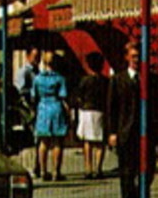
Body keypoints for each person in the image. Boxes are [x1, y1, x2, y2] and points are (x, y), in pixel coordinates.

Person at [106, 39, 158, 198]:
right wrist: (112, 133)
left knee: (147, 173)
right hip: (126, 134)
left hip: (147, 134)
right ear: (127, 58)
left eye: (139, 56)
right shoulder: (118, 80)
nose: (136, 60)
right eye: (133, 56)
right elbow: (112, 109)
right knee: (127, 173)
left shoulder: (152, 79)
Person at [31, 52, 71, 180]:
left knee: (43, 141)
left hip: (43, 107)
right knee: (57, 141)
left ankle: (43, 170)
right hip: (56, 106)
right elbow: (63, 95)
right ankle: (56, 171)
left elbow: (33, 95)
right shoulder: (60, 79)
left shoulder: (37, 78)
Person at [73, 51, 111, 178]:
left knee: (87, 142)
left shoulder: (84, 80)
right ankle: (98, 168)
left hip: (86, 111)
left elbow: (78, 96)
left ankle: (88, 168)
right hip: (100, 111)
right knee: (100, 142)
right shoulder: (106, 81)